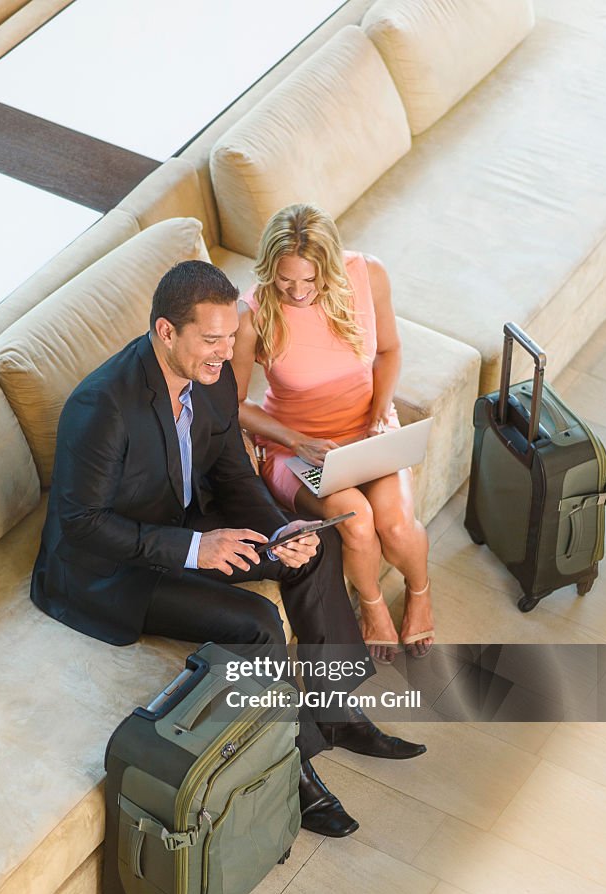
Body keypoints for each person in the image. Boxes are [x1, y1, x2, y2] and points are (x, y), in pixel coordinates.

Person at [31, 260, 426, 840]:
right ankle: (294, 767)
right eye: (211, 340)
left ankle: (334, 710)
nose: (224, 354)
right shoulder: (103, 405)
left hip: (187, 522)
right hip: (114, 570)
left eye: (229, 339)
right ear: (167, 332)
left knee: (315, 548)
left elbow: (234, 474)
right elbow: (82, 524)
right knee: (257, 622)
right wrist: (196, 547)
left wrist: (282, 533)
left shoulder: (211, 377)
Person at [233, 204, 435, 661]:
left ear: (329, 266)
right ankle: (372, 606)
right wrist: (293, 440)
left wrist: (381, 413)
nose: (299, 291)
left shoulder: (368, 275)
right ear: (270, 268)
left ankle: (420, 591)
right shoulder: (252, 312)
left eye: (311, 280)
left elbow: (389, 351)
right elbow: (234, 402)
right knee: (357, 522)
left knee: (398, 528)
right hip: (296, 446)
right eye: (286, 279)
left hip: (367, 430)